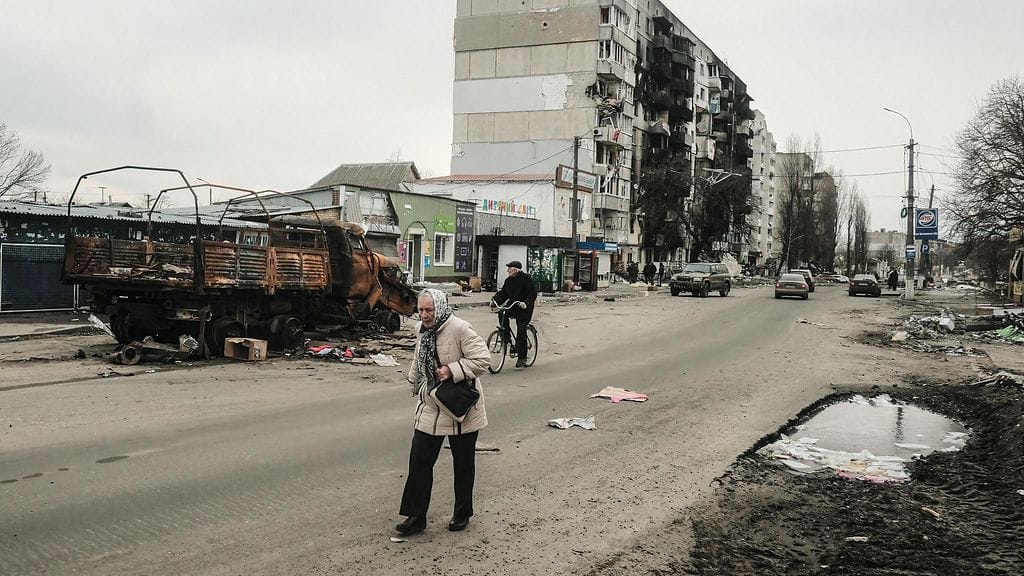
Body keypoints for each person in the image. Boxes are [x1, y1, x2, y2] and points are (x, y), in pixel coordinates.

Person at [396, 288, 490, 536]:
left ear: (440, 307)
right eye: (421, 310)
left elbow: (482, 359)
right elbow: (419, 359)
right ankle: (415, 517)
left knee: (463, 464)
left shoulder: (460, 328)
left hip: (460, 409)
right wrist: (413, 383)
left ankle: (462, 513)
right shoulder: (422, 330)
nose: (425, 315)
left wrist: (452, 370)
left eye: (429, 310)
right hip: (431, 405)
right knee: (419, 462)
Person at [492, 260, 537, 368]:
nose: (507, 270)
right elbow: (503, 294)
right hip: (513, 306)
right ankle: (506, 337)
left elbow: (532, 292)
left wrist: (526, 302)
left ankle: (522, 357)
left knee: (521, 330)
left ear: (515, 269)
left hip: (524, 308)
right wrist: (494, 301)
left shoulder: (526, 278)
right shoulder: (508, 281)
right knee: (502, 314)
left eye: (509, 268)